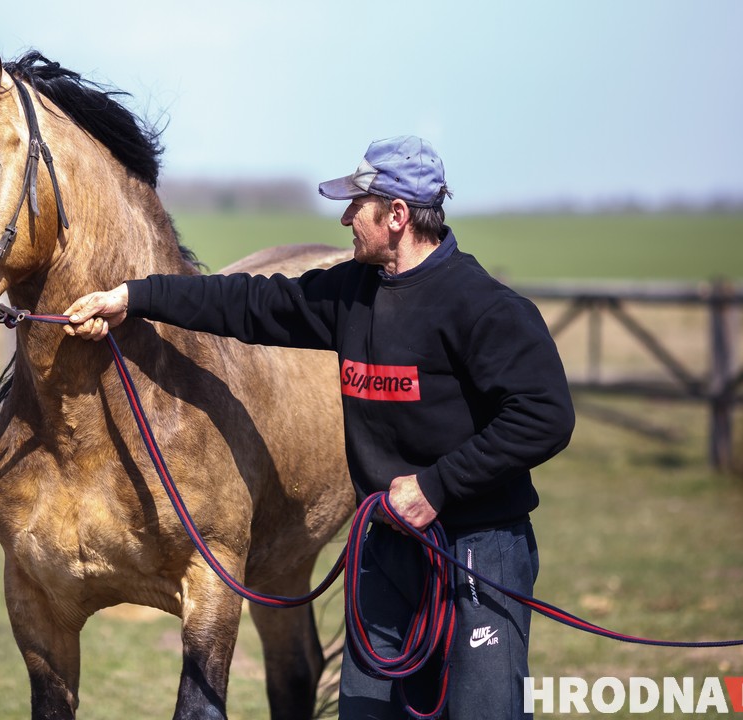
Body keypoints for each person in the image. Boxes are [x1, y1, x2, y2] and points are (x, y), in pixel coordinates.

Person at [64, 135, 575, 719]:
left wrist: (437, 487)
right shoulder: (351, 294)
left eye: (357, 206)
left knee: (484, 710)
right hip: (386, 544)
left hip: (478, 548)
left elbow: (546, 417)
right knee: (365, 709)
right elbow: (246, 304)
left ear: (398, 215)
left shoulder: (484, 308)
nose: (345, 218)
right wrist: (136, 295)